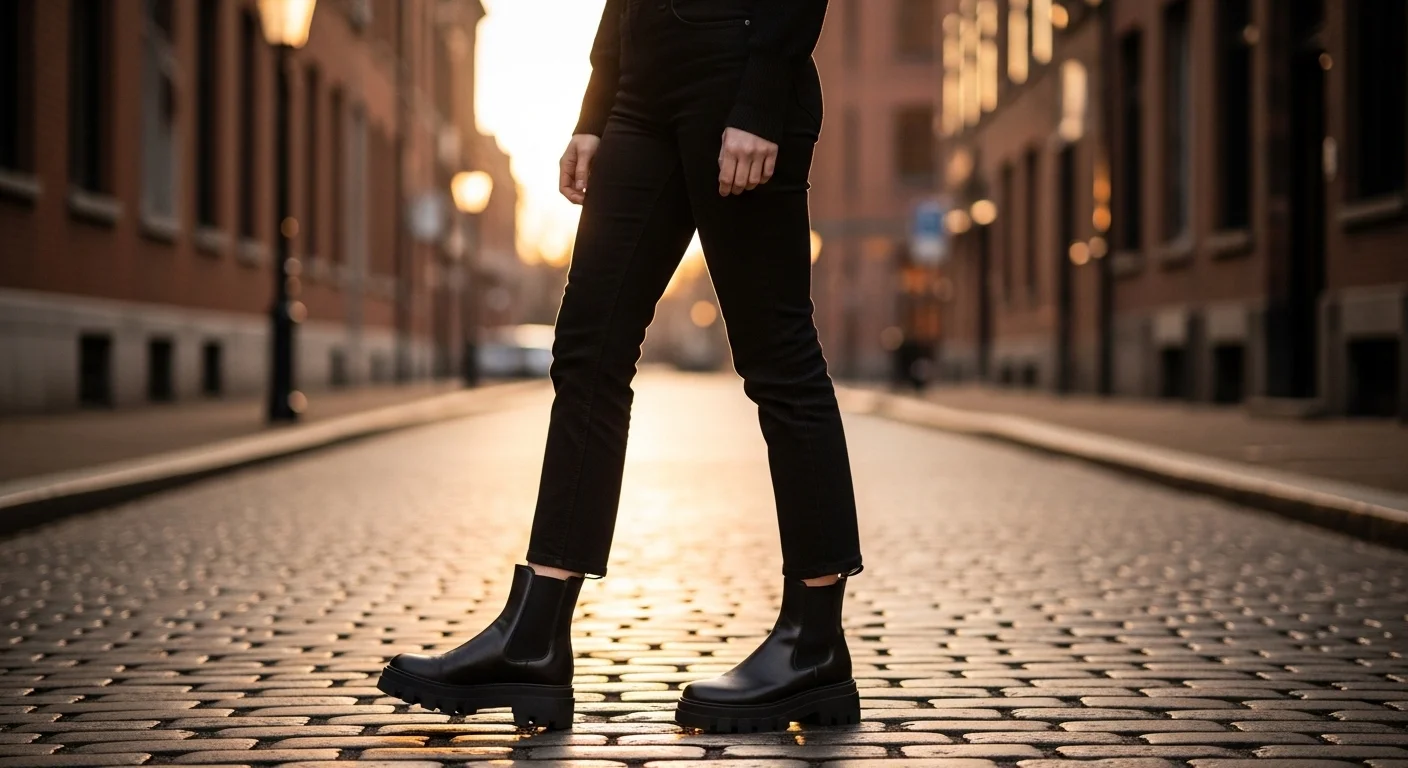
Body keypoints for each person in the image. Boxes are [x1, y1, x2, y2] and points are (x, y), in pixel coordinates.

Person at [377, 0, 863, 733]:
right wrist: (594, 110)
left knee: (777, 359)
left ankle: (814, 643)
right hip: (641, 89)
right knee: (586, 351)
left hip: (737, 64)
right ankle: (536, 635)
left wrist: (763, 92)